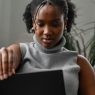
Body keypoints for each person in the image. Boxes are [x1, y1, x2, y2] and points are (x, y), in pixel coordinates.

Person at [0, 0, 95, 95]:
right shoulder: (20, 52)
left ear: (65, 23)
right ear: (33, 23)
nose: (47, 32)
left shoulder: (80, 63)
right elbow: (9, 55)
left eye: (55, 24)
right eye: (40, 24)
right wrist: (5, 56)